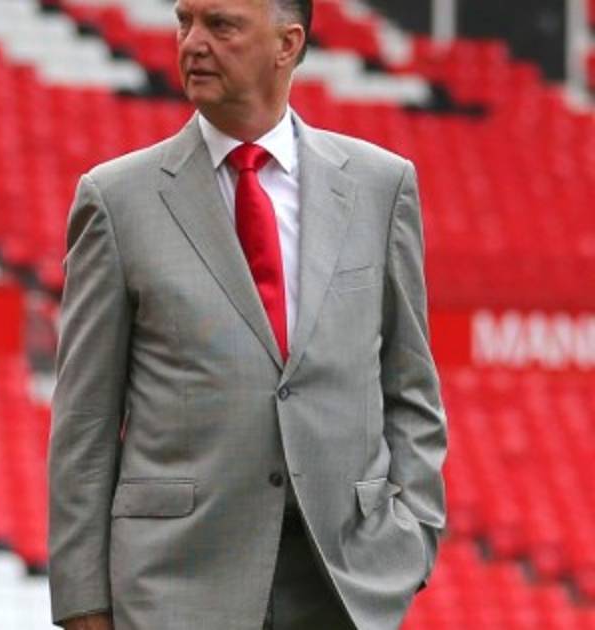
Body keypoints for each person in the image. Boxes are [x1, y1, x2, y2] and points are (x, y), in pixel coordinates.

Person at [47, 0, 446, 628]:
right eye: (185, 22)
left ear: (288, 44)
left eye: (221, 25)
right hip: (175, 588)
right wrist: (83, 600)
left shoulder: (380, 186)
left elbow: (410, 385)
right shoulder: (117, 199)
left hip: (345, 586)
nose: (192, 43)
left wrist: (413, 535)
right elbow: (85, 419)